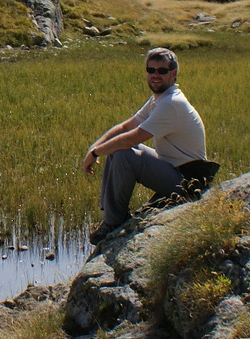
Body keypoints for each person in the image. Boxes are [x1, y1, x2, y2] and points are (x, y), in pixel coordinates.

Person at [81, 46, 206, 245]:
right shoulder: (159, 99)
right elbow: (126, 126)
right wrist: (94, 148)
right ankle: (109, 216)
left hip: (188, 182)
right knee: (116, 150)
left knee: (123, 152)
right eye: (151, 70)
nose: (155, 75)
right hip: (171, 169)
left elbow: (132, 138)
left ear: (173, 74)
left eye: (162, 71)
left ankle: (114, 222)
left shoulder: (172, 103)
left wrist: (96, 152)